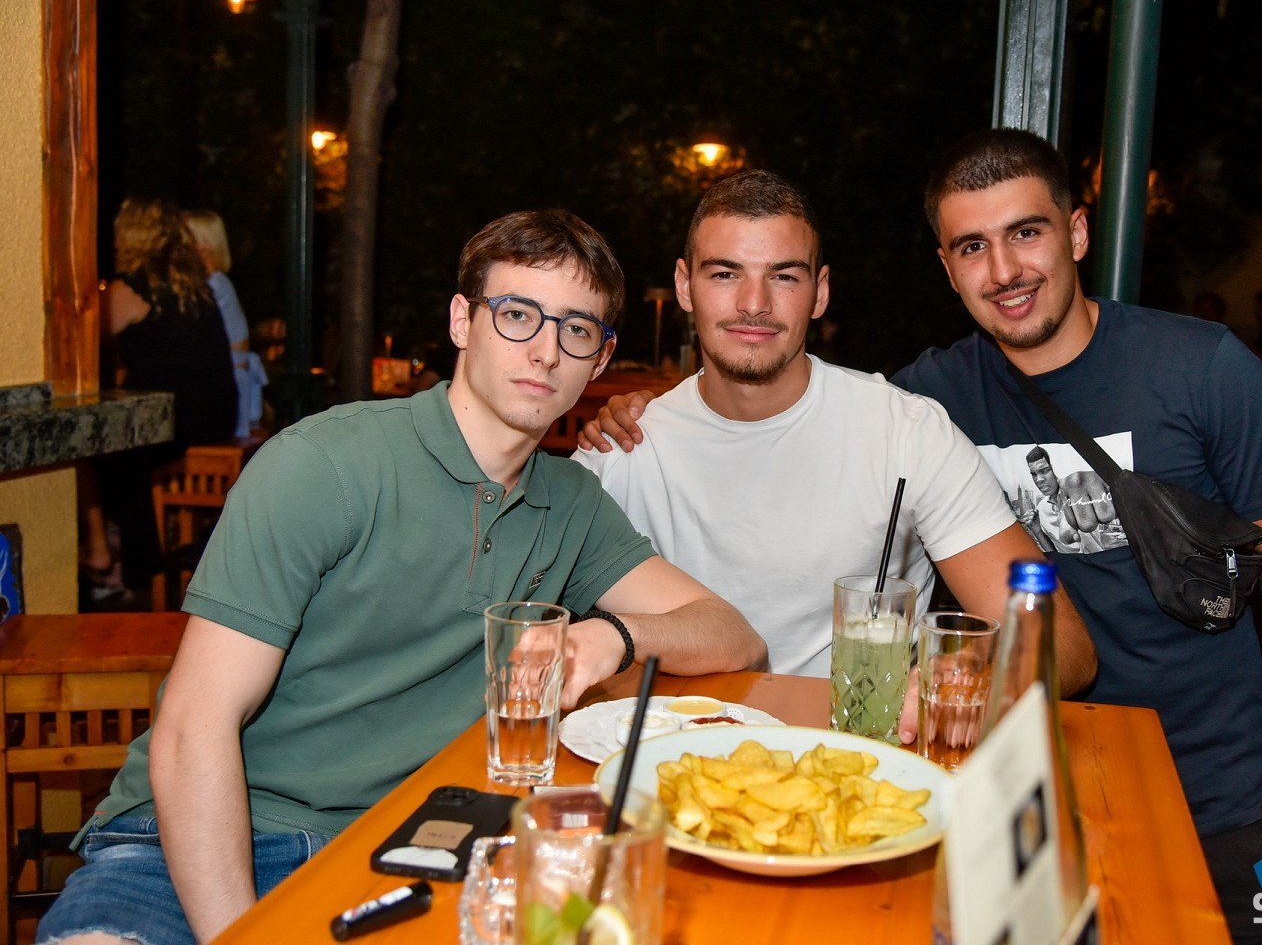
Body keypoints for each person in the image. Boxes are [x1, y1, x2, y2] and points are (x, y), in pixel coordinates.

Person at [38, 209, 766, 945]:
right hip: (204, 839)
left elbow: (732, 635)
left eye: (575, 329)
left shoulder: (570, 501)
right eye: (517, 314)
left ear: (599, 359)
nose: (546, 351)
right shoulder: (323, 465)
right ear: (462, 321)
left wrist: (614, 636)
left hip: (408, 848)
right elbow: (194, 727)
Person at [894, 129, 1262, 943]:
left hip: (1222, 806)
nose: (1004, 270)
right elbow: (799, 411)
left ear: (1075, 232)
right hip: (1028, 807)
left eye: (1025, 232)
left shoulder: (1203, 370)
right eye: (972, 247)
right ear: (947, 268)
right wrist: (653, 409)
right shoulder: (930, 398)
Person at [573, 170, 1095, 699]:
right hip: (674, 743)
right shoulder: (621, 448)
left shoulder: (907, 433)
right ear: (685, 286)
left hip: (859, 743)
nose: (754, 302)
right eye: (726, 274)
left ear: (819, 293)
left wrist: (953, 684)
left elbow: (1062, 649)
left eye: (784, 277)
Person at [79, 198, 238, 601]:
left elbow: (81, 345)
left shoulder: (131, 289)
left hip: (172, 421)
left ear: (130, 235)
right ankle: (130, 561)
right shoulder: (194, 287)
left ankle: (112, 557)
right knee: (126, 451)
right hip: (216, 416)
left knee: (92, 451)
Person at [183, 209, 269, 438]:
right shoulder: (216, 283)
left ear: (204, 245)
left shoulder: (214, 286)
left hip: (228, 387)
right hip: (226, 383)